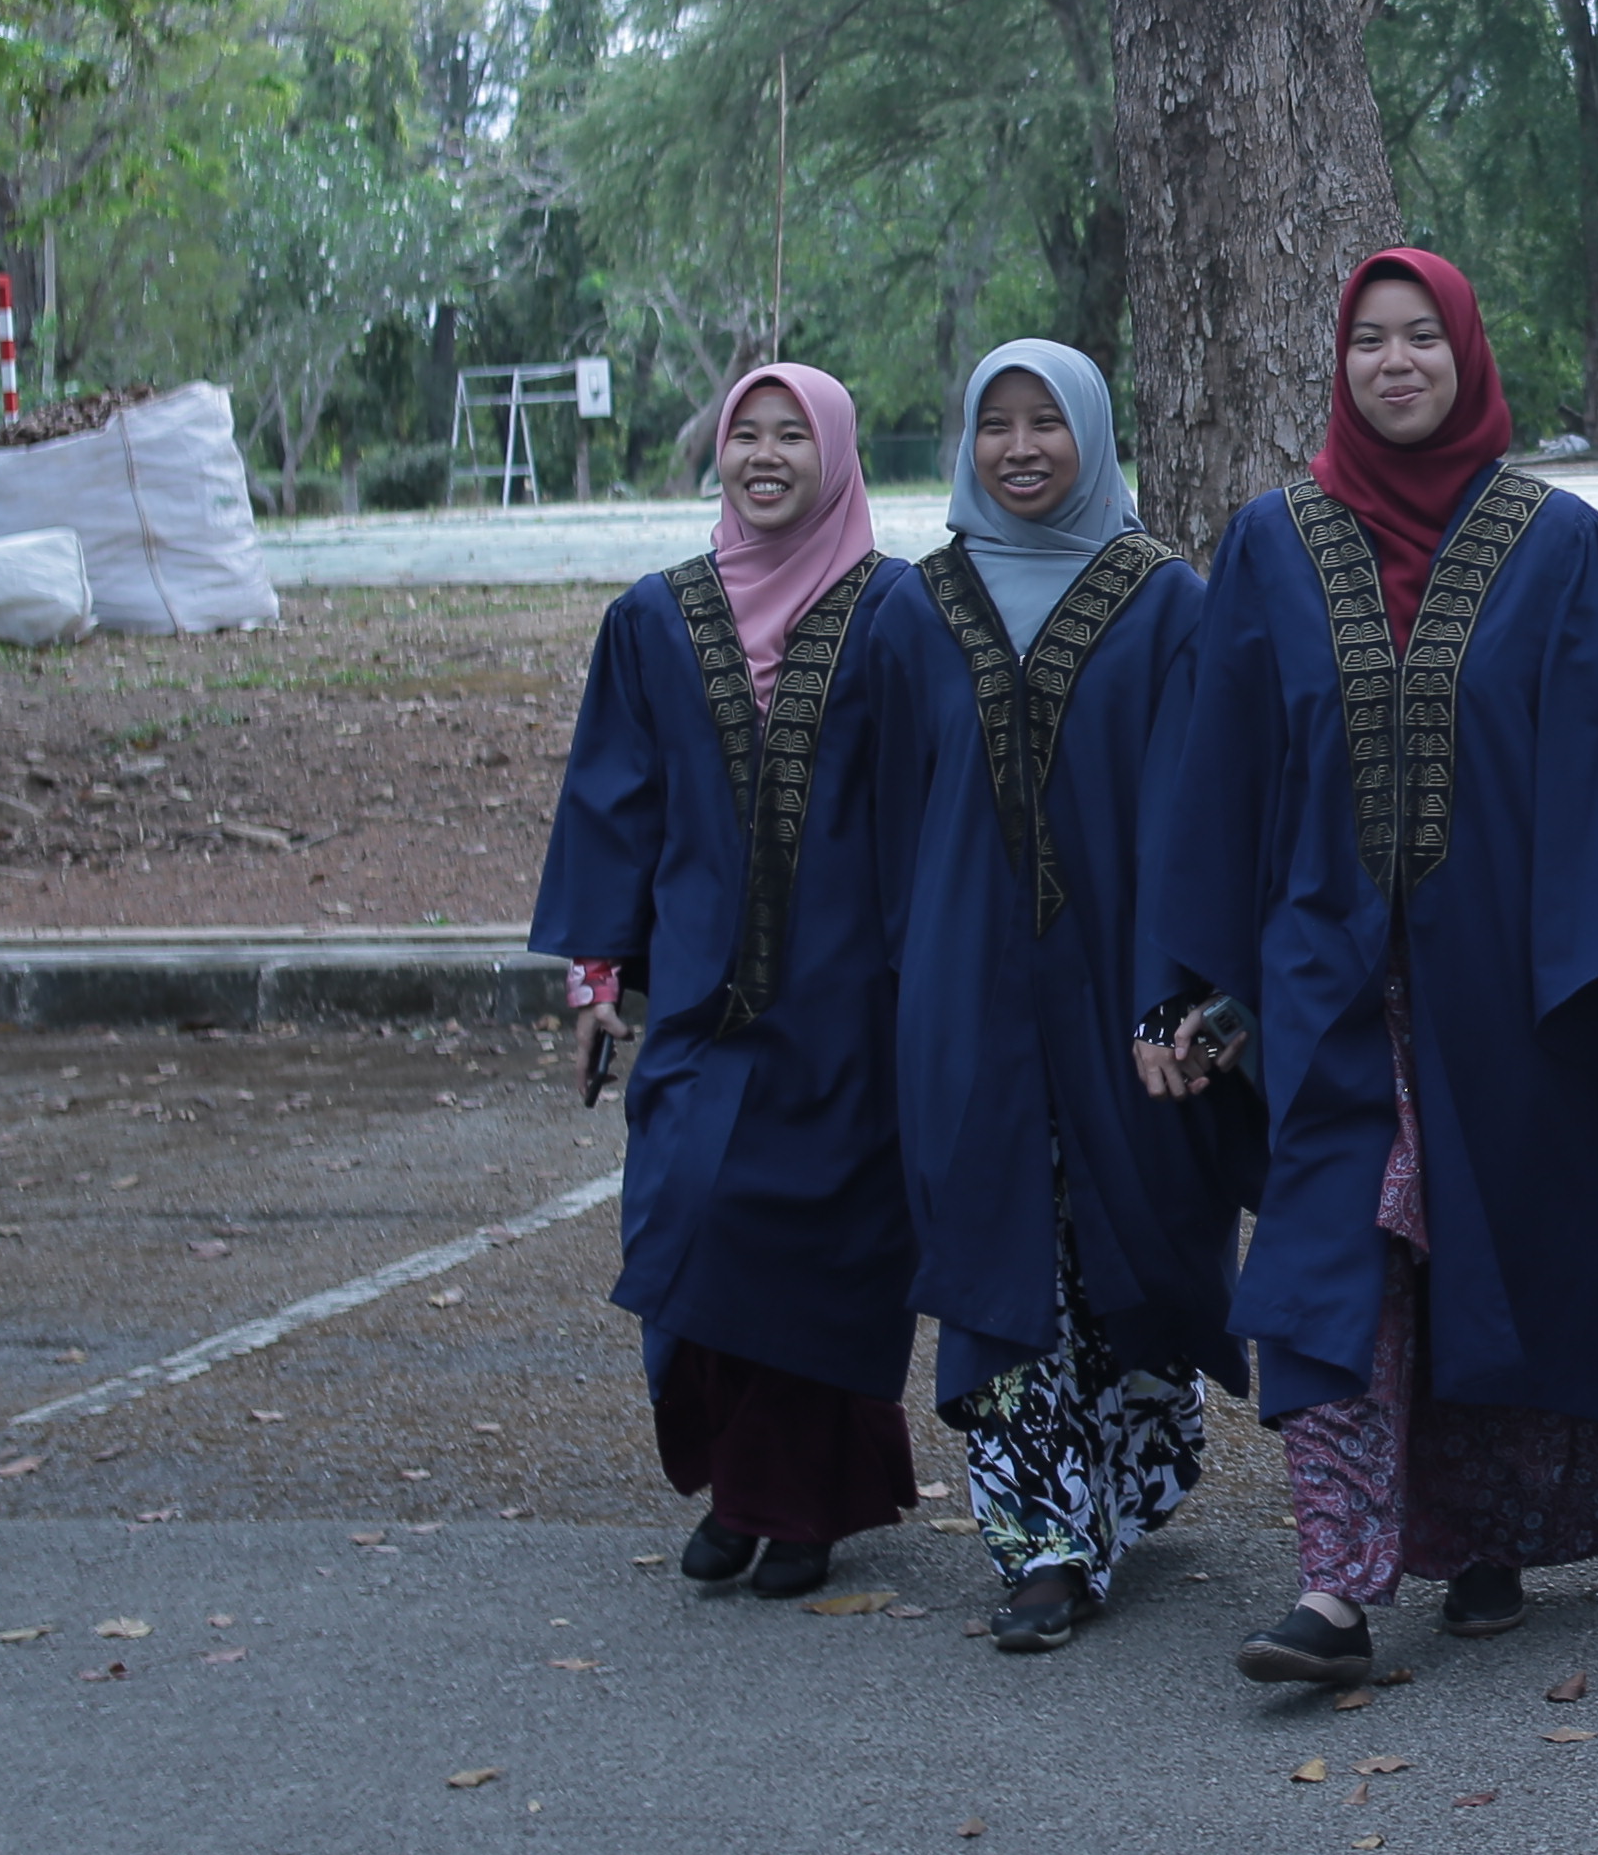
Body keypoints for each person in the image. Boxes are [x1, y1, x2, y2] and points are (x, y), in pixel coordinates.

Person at [1146, 249, 1598, 1687]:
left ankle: (1483, 1536)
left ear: (1466, 355)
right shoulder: (1272, 543)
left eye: (1421, 338)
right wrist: (1196, 984)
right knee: (1335, 1253)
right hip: (1324, 989)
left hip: (1517, 994)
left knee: (1496, 1246)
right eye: (1368, 341)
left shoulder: (1561, 546)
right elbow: (1223, 775)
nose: (1394, 363)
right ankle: (1334, 1590)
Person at [531, 361, 933, 1601]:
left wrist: (937, 982)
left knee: (818, 1253)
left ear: (837, 454)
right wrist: (598, 977)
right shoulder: (654, 620)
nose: (765, 456)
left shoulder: (899, 614)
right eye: (745, 434)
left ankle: (790, 1506)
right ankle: (742, 1479)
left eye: (791, 436)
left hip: (852, 1007)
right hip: (704, 1005)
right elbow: (615, 806)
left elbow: (934, 811)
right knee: (688, 1218)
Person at [895, 340, 1252, 1657]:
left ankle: (1130, 1476)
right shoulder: (914, 608)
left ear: (1094, 436)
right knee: (1003, 1246)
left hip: (1122, 986)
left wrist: (1185, 991)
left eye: (1047, 422)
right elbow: (881, 817)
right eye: (996, 424)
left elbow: (1204, 816)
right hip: (963, 988)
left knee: (1128, 1233)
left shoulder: (1166, 604)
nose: (1021, 448)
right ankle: (1042, 1542)